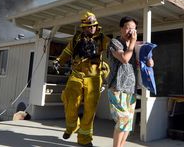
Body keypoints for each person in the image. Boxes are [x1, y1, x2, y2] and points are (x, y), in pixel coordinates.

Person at [53, 11, 110, 146]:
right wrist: (58, 60)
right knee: (69, 101)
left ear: (97, 26)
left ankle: (84, 139)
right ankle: (72, 126)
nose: (91, 28)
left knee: (90, 110)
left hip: (94, 78)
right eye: (88, 26)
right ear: (83, 27)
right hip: (76, 75)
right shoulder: (76, 39)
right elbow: (67, 51)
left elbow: (114, 49)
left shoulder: (103, 39)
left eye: (93, 26)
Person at [106, 16, 154, 147]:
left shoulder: (137, 46)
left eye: (133, 29)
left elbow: (148, 62)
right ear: (121, 29)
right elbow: (125, 59)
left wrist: (150, 62)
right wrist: (133, 43)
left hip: (131, 88)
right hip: (116, 87)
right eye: (127, 28)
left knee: (128, 123)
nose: (130, 31)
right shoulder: (114, 43)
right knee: (123, 120)